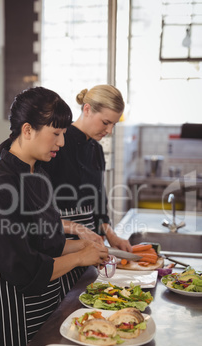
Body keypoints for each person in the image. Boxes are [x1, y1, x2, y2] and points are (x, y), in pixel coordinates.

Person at [0, 87, 108, 346]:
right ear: (28, 129)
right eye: (56, 133)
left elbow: (48, 243)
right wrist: (79, 258)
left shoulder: (39, 175)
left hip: (44, 305)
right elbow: (26, 269)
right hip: (10, 309)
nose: (61, 142)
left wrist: (90, 249)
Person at [42, 84, 132, 296]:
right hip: (59, 251)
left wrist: (112, 237)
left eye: (113, 125)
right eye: (106, 122)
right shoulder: (56, 146)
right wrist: (78, 231)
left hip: (91, 252)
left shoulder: (96, 150)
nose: (109, 131)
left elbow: (98, 207)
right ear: (87, 109)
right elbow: (41, 211)